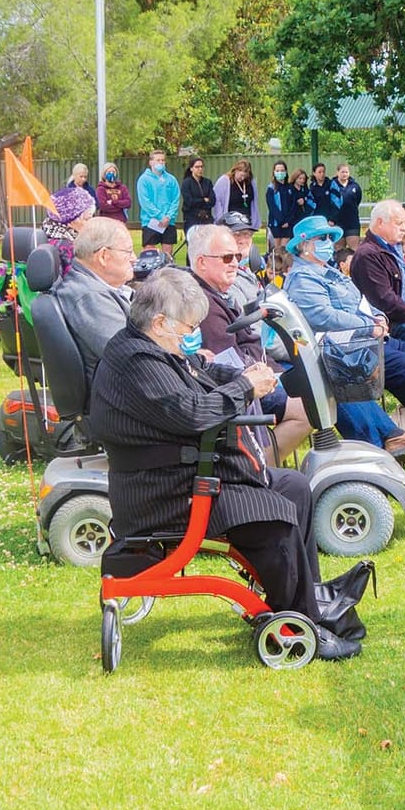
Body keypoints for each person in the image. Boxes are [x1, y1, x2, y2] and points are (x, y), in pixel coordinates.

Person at [86, 268, 367, 658]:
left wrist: (244, 376)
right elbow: (193, 412)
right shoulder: (136, 360)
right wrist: (246, 387)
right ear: (160, 322)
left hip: (178, 476)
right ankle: (297, 620)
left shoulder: (147, 346)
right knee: (275, 516)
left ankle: (307, 602)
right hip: (163, 492)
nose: (191, 333)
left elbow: (195, 374)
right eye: (188, 326)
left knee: (294, 487)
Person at [283, 216, 405, 448]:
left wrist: (377, 316)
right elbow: (323, 316)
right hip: (340, 347)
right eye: (323, 238)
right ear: (304, 245)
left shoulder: (329, 271)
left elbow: (360, 300)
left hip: (361, 338)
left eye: (331, 238)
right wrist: (368, 326)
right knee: (403, 364)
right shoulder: (303, 278)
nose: (329, 242)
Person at [186, 224, 312, 460]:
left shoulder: (219, 293)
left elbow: (250, 343)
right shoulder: (202, 302)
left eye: (236, 255)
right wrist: (269, 376)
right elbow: (226, 361)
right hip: (231, 390)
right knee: (306, 410)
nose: (235, 262)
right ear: (201, 262)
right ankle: (260, 472)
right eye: (226, 257)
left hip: (249, 377)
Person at [42, 216, 137, 385]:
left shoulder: (90, 286)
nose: (134, 258)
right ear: (103, 256)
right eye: (128, 251)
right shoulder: (89, 297)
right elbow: (132, 358)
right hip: (124, 399)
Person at [350, 199, 405, 343]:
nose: (404, 228)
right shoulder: (368, 255)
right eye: (398, 223)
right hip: (397, 324)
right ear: (380, 223)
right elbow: (387, 302)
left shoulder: (396, 248)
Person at [43, 162, 98, 261]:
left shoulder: (67, 237)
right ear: (72, 221)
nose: (90, 224)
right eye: (87, 219)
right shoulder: (68, 249)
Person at [136, 149, 183, 248]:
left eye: (163, 160)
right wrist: (160, 216)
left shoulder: (171, 179)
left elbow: (175, 199)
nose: (161, 162)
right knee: (150, 253)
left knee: (168, 253)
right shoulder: (144, 180)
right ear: (151, 162)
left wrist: (168, 217)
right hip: (150, 222)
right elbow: (145, 202)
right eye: (158, 160)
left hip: (168, 222)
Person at [265, 160, 305, 271]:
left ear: (286, 172)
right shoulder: (271, 188)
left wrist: (288, 220)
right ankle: (273, 270)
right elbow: (272, 206)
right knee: (276, 249)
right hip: (276, 223)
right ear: (274, 172)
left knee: (284, 248)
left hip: (289, 224)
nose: (280, 172)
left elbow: (293, 206)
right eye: (278, 170)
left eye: (282, 170)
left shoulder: (290, 188)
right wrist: (281, 221)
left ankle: (283, 270)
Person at [211, 159, 258, 236]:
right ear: (236, 170)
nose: (242, 178)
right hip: (231, 222)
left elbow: (254, 202)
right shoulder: (224, 180)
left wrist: (254, 222)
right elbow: (216, 199)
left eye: (244, 176)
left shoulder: (251, 182)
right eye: (240, 175)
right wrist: (220, 219)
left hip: (246, 221)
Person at [324, 163, 364, 239]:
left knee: (354, 247)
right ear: (337, 172)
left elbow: (358, 199)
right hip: (336, 221)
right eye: (342, 172)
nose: (344, 174)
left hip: (352, 221)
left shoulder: (355, 186)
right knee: (339, 248)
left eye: (346, 172)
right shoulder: (331, 185)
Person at [180, 157, 219, 230]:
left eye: (201, 167)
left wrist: (199, 201)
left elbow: (212, 201)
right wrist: (203, 200)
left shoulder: (207, 182)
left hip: (206, 218)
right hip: (192, 219)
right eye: (197, 167)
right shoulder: (186, 183)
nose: (200, 169)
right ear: (191, 168)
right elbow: (189, 202)